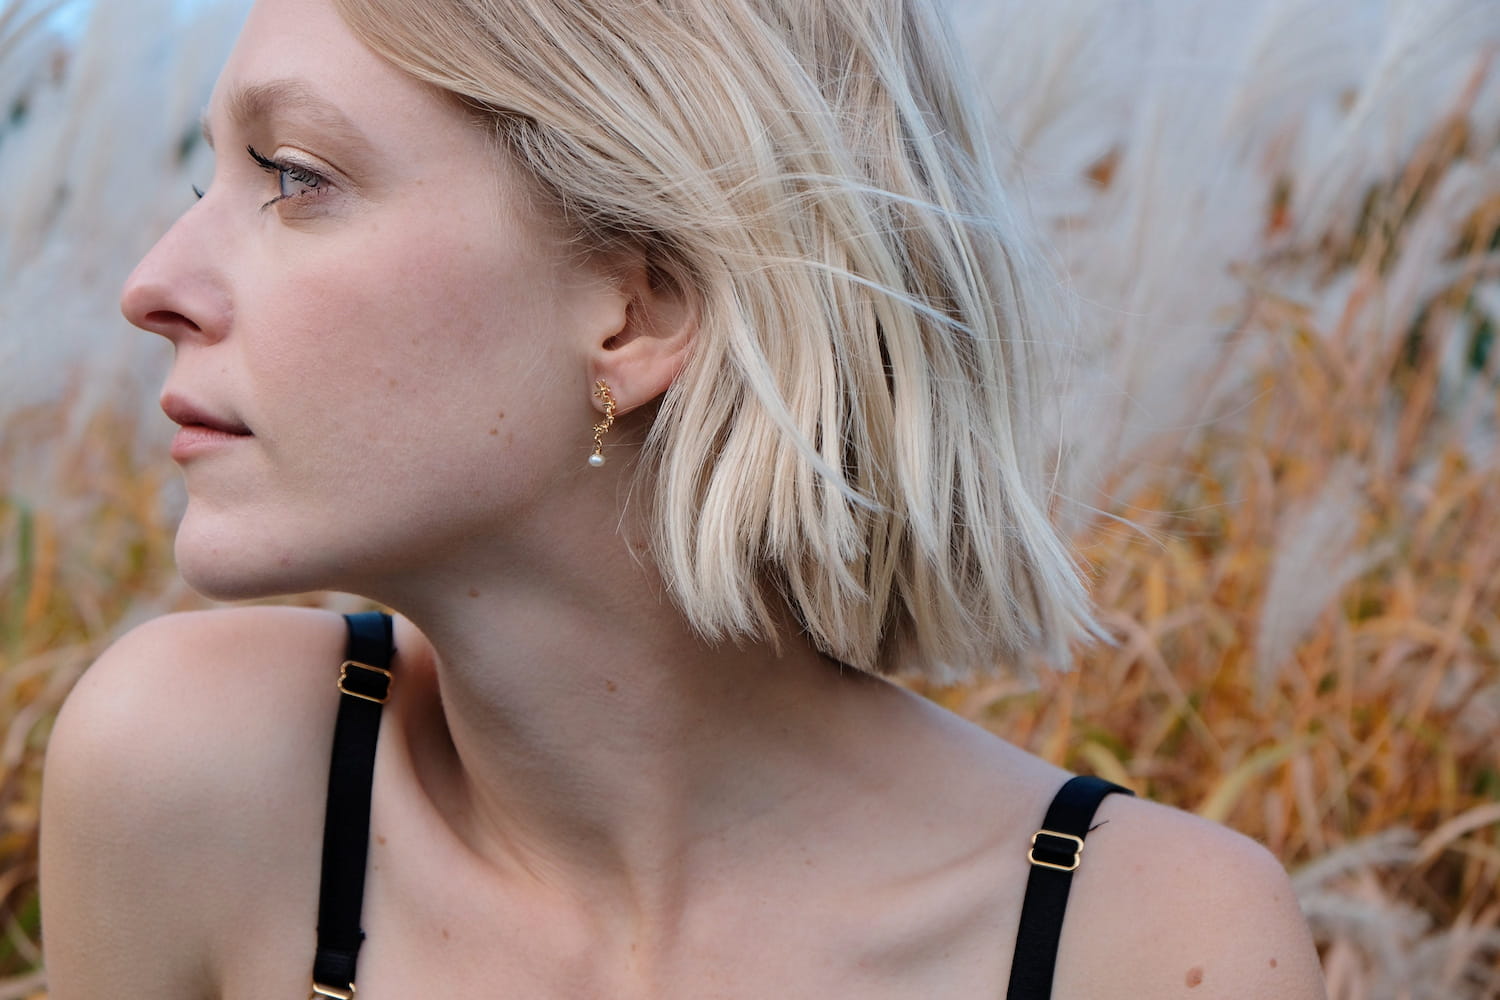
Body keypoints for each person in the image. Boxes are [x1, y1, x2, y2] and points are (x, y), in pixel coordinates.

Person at [39, 0, 1326, 996]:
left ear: (638, 304)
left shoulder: (1151, 944)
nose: (155, 281)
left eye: (294, 174)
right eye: (203, 175)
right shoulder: (199, 779)